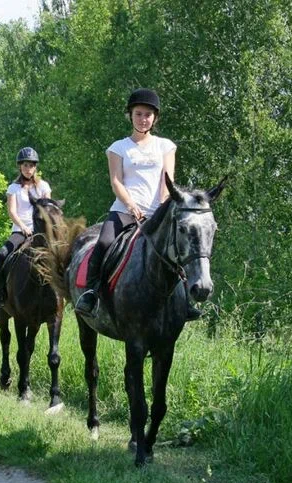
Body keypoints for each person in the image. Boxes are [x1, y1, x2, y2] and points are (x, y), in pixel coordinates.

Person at [74, 88, 201, 321]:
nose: (143, 119)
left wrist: (162, 206)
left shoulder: (166, 146)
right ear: (130, 115)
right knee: (103, 243)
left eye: (148, 115)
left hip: (158, 213)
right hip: (124, 211)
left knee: (180, 246)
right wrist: (131, 205)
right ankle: (91, 294)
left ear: (155, 118)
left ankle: (186, 300)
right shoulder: (118, 147)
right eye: (139, 114)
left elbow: (168, 180)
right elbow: (116, 181)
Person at [0, 147, 51, 307]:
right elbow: (11, 211)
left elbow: (48, 210)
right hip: (20, 231)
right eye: (25, 165)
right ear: (20, 167)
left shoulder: (44, 187)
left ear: (35, 167)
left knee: (61, 254)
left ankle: (65, 290)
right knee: (2, 254)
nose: (28, 169)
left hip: (41, 233)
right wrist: (23, 226)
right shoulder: (13, 188)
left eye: (31, 165)